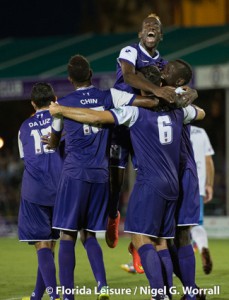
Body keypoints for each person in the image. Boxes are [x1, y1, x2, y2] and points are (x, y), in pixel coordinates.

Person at [48, 69, 204, 300]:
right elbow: (201, 113)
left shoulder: (134, 113)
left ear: (143, 87)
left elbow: (97, 118)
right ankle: (169, 293)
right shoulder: (179, 112)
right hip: (173, 184)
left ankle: (159, 294)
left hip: (150, 182)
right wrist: (187, 94)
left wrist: (61, 110)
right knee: (161, 242)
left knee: (140, 239)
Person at [106, 12, 197, 249]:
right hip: (124, 116)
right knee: (116, 178)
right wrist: (156, 91)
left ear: (160, 35)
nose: (150, 28)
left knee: (146, 176)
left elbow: (179, 86)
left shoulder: (164, 65)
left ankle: (140, 239)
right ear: (140, 33)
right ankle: (113, 215)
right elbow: (129, 75)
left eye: (155, 26)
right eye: (146, 25)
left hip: (143, 123)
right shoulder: (130, 51)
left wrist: (192, 93)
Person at [18, 83, 64, 300]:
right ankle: (38, 294)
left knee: (42, 244)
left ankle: (54, 296)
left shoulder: (24, 127)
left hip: (35, 190)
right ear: (54, 98)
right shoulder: (62, 120)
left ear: (33, 103)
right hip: (60, 188)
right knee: (50, 244)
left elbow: (27, 159)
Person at [190, 126, 215, 274]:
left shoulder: (174, 127)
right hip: (197, 186)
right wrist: (209, 185)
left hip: (178, 184)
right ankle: (203, 247)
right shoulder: (201, 132)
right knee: (197, 223)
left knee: (176, 226)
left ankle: (174, 264)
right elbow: (208, 161)